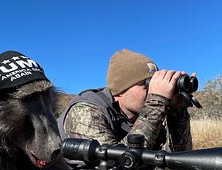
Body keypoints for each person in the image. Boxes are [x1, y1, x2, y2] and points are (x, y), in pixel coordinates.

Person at [57, 49, 192, 160]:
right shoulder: (85, 111)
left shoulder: (144, 115)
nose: (152, 92)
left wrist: (177, 112)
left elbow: (177, 163)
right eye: (147, 85)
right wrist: (156, 102)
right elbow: (118, 166)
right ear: (120, 91)